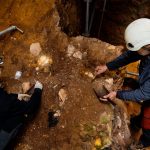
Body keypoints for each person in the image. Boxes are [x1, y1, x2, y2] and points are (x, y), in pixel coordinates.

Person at [95, 18, 150, 148]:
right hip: (147, 84)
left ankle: (146, 141)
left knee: (148, 119)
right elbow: (130, 56)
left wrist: (117, 94)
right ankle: (137, 123)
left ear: (147, 46)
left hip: (147, 92)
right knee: (143, 113)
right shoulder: (147, 48)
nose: (136, 52)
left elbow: (143, 93)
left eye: (137, 49)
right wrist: (108, 66)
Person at [0, 80, 43, 149]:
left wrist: (16, 96)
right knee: (17, 115)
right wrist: (38, 89)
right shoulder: (5, 103)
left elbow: (4, 98)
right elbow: (30, 108)